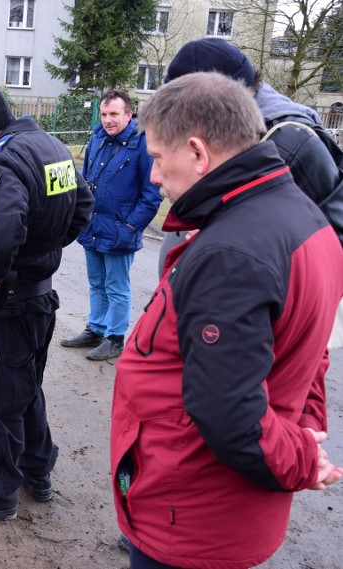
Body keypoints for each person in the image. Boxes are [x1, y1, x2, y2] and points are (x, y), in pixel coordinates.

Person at [112, 72, 343, 568]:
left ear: (197, 152)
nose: (153, 176)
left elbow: (229, 412)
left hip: (190, 513)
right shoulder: (301, 216)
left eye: (156, 157)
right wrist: (304, 431)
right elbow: (308, 354)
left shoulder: (233, 252)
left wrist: (303, 456)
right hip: (215, 511)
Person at [0, 82, 94, 520]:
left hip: (6, 303)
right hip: (39, 298)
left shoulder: (2, 159)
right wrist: (42, 252)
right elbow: (83, 205)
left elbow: (6, 222)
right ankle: (38, 472)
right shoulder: (50, 146)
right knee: (25, 390)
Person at [157, 37, 343, 276]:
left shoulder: (290, 142)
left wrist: (227, 240)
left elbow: (332, 236)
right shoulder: (215, 134)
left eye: (183, 107)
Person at [60, 90, 162, 361]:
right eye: (104, 114)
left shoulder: (142, 143)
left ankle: (115, 338)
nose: (108, 120)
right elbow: (85, 181)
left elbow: (152, 195)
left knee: (117, 286)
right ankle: (95, 329)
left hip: (120, 229)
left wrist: (131, 227)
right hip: (93, 226)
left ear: (129, 114)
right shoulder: (97, 139)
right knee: (96, 283)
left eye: (114, 114)